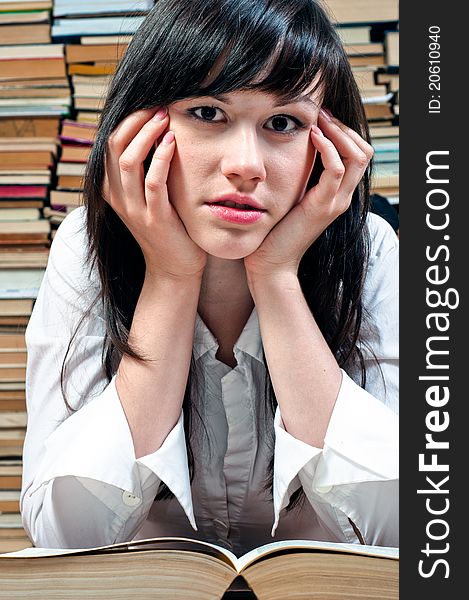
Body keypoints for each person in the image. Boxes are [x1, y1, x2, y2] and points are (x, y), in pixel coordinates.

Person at [20, 0, 398, 555]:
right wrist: (171, 278)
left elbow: (408, 523)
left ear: (327, 148)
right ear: (137, 130)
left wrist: (277, 276)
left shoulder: (373, 250)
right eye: (207, 113)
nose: (246, 164)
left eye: (283, 123)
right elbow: (64, 535)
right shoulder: (85, 248)